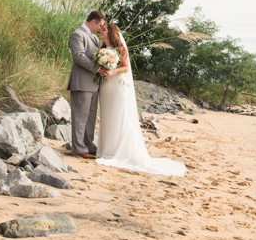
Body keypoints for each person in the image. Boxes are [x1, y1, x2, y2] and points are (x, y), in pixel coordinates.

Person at [96, 23, 186, 176]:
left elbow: (126, 67)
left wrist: (113, 71)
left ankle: (117, 150)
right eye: (101, 30)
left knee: (118, 115)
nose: (101, 32)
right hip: (106, 88)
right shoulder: (101, 49)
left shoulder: (120, 48)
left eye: (104, 30)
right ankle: (106, 149)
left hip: (117, 85)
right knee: (107, 115)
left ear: (111, 33)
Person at [67, 10, 111, 159]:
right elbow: (78, 56)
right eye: (101, 25)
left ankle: (88, 145)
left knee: (90, 117)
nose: (101, 28)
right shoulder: (77, 35)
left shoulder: (94, 38)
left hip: (93, 84)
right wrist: (98, 68)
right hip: (81, 82)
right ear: (94, 21)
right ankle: (79, 148)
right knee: (80, 116)